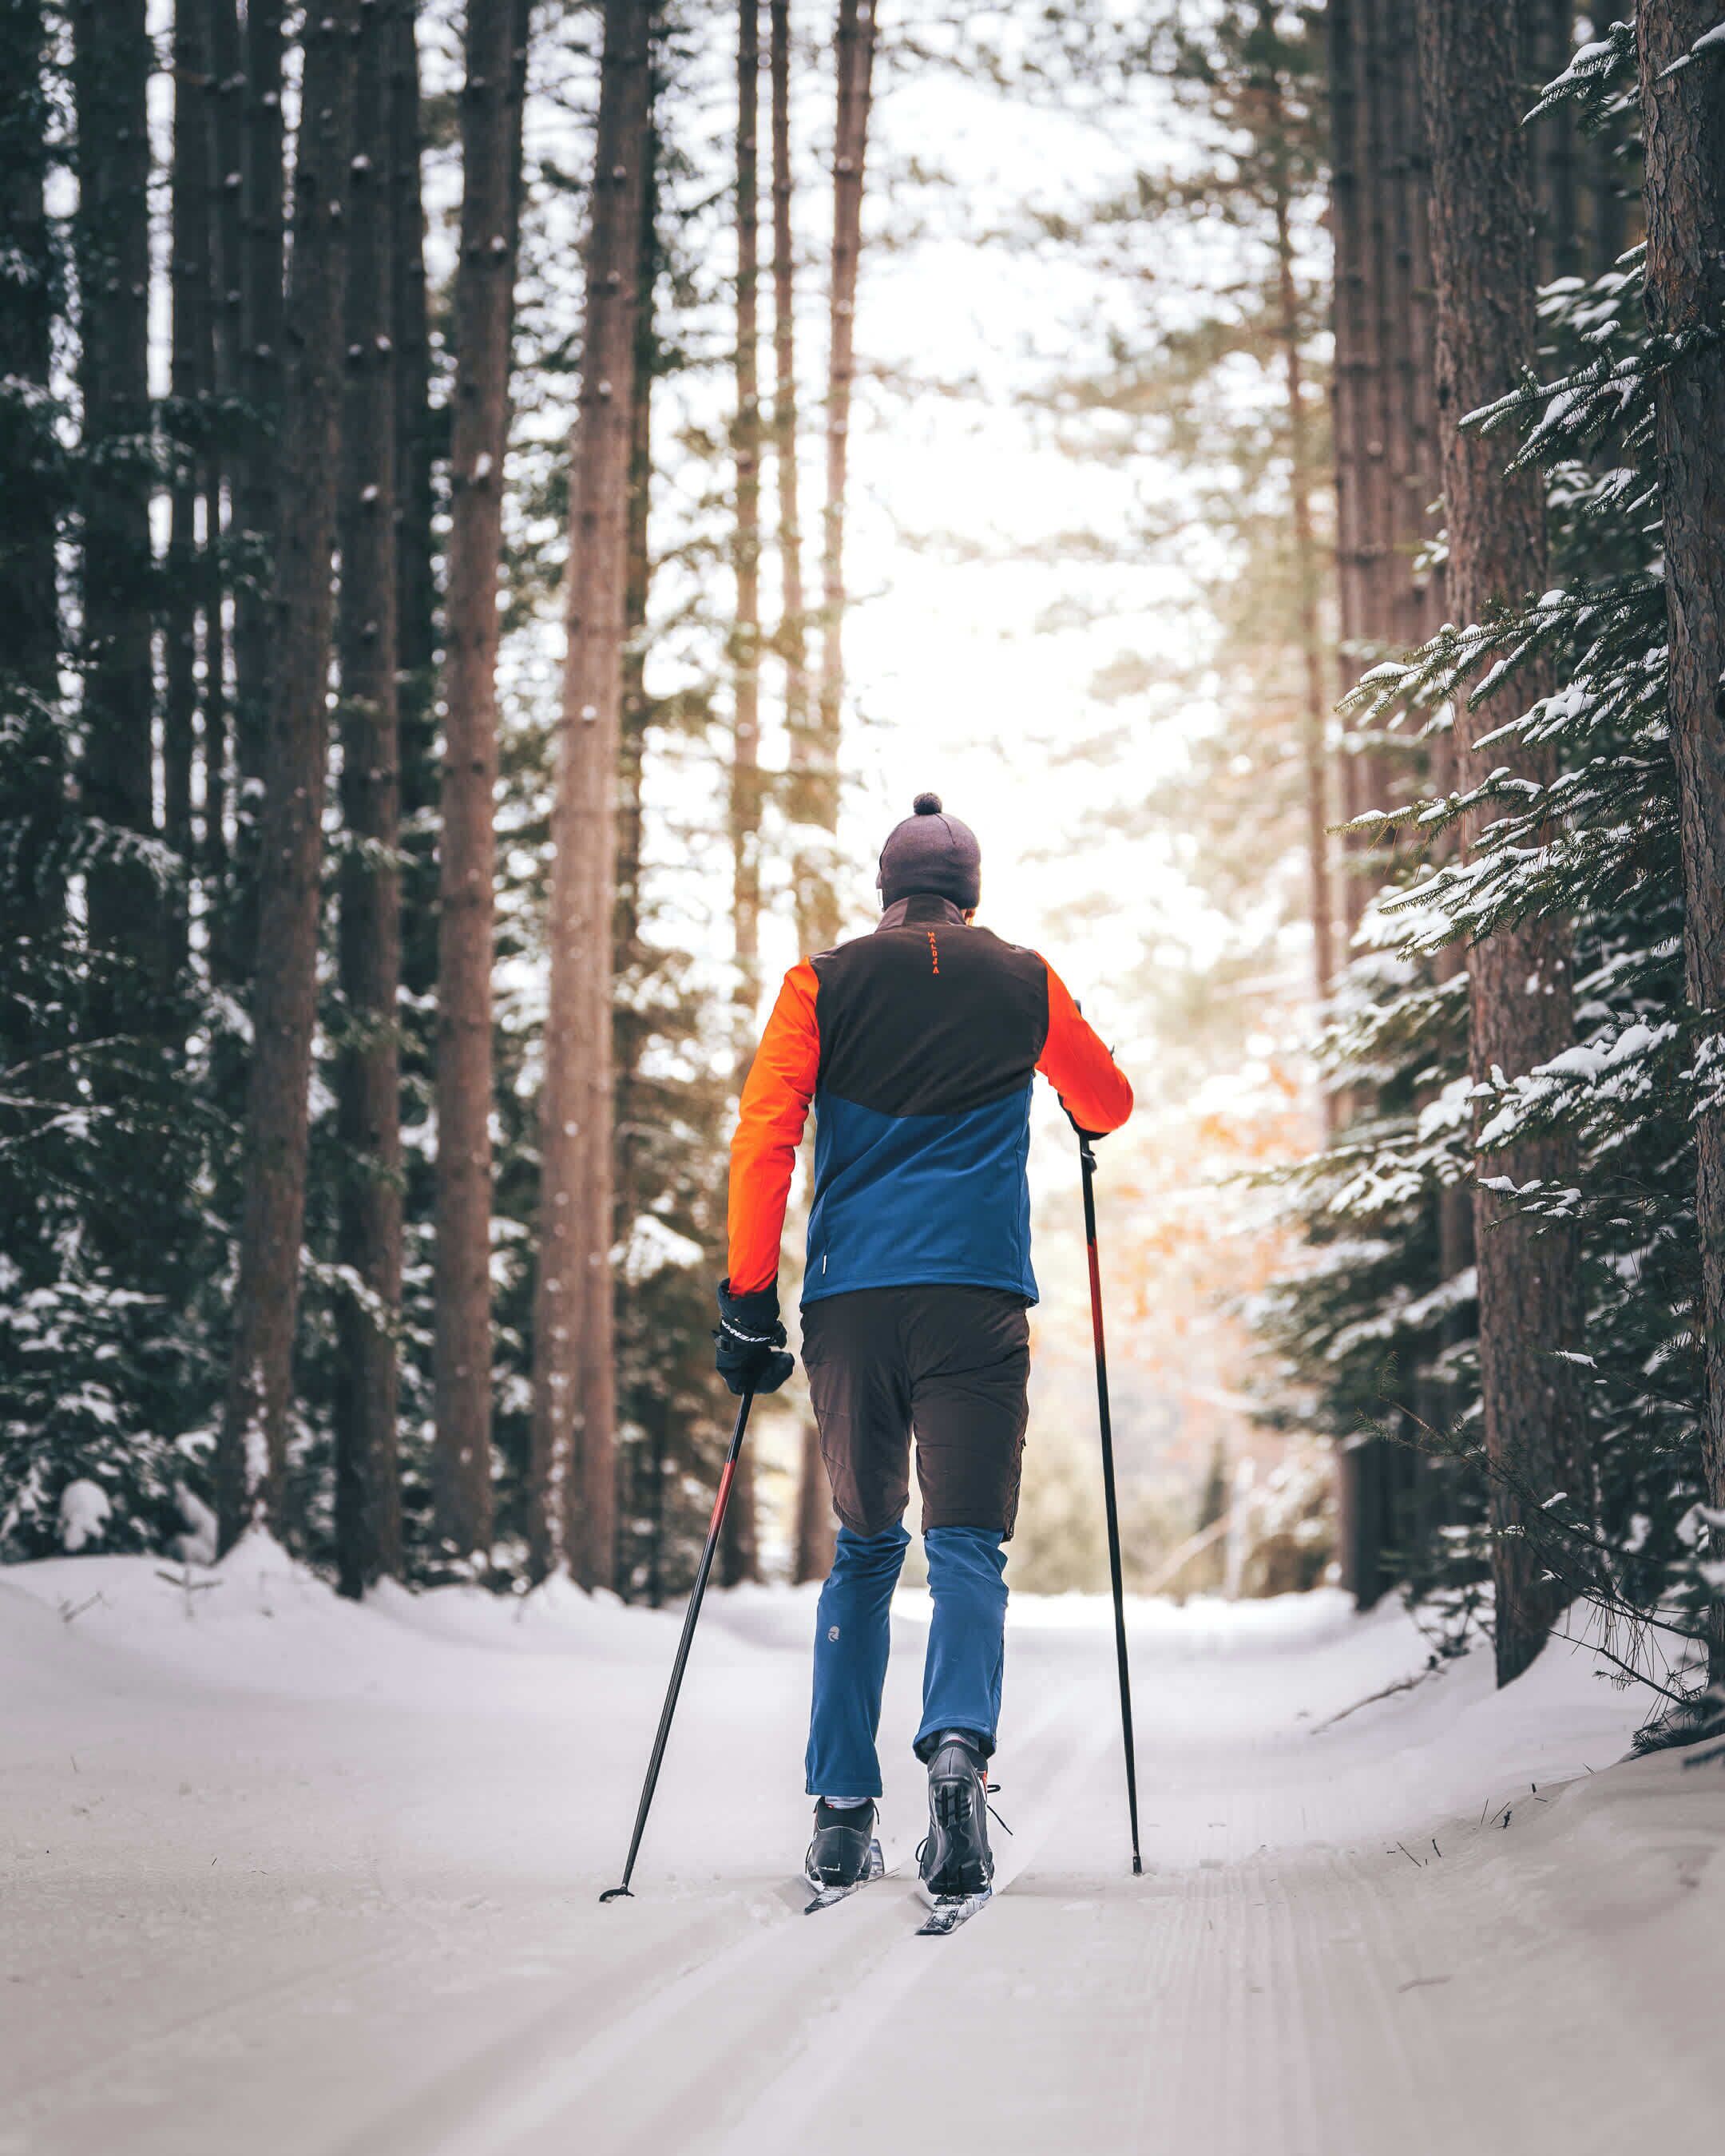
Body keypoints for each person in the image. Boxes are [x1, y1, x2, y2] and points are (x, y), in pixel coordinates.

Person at [714, 792, 1133, 1899]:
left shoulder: (820, 982)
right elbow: (1108, 1101)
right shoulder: (1024, 979)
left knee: (863, 1548)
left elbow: (766, 1137)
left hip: (851, 1306)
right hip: (977, 1300)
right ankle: (957, 1757)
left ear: (887, 892)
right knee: (965, 1550)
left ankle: (844, 1815)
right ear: (970, 893)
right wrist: (1073, 1103)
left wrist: (746, 1299)